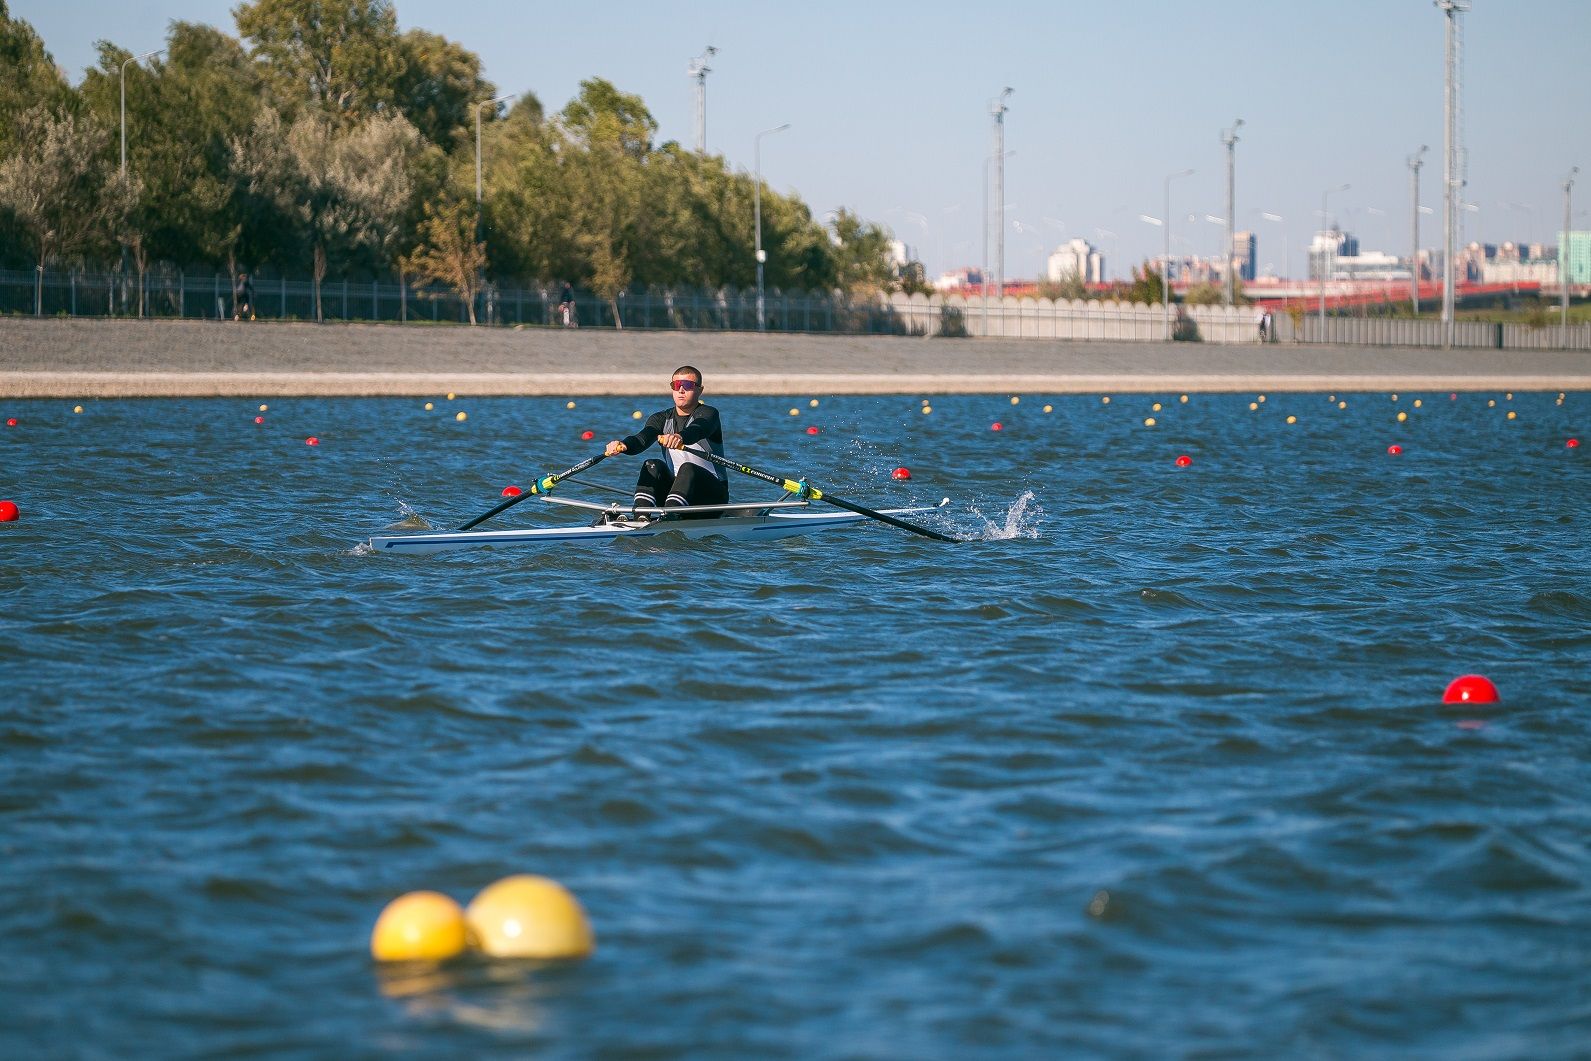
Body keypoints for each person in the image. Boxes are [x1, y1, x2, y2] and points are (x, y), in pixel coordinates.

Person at [603, 365, 728, 518]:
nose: (681, 390)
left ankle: (670, 515)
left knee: (688, 467)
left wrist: (680, 437)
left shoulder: (709, 414)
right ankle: (641, 515)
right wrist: (623, 445)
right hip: (676, 494)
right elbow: (642, 439)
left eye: (687, 385)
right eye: (676, 385)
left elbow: (698, 429)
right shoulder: (660, 418)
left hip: (711, 498)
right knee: (651, 464)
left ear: (699, 390)